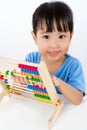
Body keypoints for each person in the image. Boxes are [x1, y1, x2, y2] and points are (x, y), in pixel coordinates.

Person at [16, 1, 86, 105]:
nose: (54, 45)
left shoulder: (73, 66)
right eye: (46, 37)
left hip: (62, 112)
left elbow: (78, 100)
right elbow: (18, 92)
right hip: (35, 109)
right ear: (35, 38)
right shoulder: (31, 60)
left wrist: (59, 83)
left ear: (70, 37)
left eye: (61, 36)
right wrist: (18, 81)